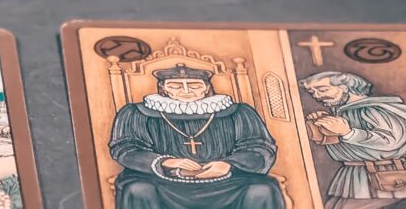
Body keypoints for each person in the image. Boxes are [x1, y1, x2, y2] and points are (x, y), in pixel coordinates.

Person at [106, 62, 285, 208]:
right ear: (164, 89)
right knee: (138, 190)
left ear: (206, 88)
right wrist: (167, 162)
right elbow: (126, 148)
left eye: (194, 85)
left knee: (262, 189)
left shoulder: (238, 112)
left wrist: (228, 164)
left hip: (228, 181)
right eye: (175, 85)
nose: (186, 90)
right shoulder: (137, 113)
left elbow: (259, 147)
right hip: (163, 180)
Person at [297, 71, 406, 205]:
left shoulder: (377, 109)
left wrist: (348, 132)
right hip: (354, 175)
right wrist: (321, 130)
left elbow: (391, 141)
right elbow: (346, 147)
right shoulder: (343, 112)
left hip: (387, 172)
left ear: (345, 87)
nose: (317, 96)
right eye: (312, 92)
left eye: (322, 89)